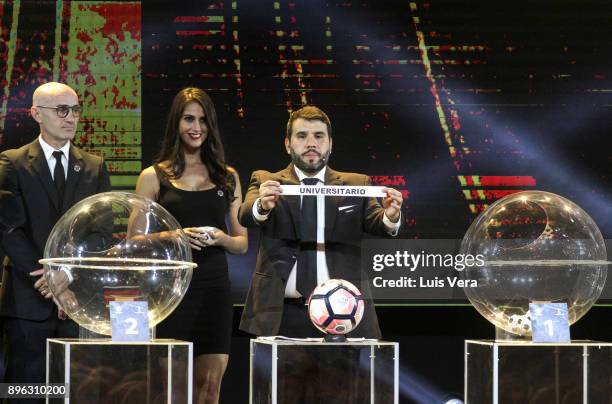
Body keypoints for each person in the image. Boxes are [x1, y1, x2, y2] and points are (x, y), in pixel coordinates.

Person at [239, 105, 403, 339]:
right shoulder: (267, 181)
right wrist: (262, 206)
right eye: (302, 136)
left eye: (319, 136)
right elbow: (246, 215)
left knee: (343, 378)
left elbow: (381, 223)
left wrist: (391, 215)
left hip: (344, 313)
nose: (311, 143)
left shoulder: (356, 183)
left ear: (330, 143)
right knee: (278, 377)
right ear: (288, 144)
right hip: (280, 313)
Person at [135, 87, 247, 404]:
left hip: (215, 292)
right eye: (188, 119)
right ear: (176, 123)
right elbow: (134, 243)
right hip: (172, 294)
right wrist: (176, 235)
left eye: (202, 120)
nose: (196, 127)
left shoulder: (227, 177)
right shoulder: (153, 177)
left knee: (209, 389)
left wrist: (220, 237)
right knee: (170, 390)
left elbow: (241, 243)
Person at [0, 82, 111, 389]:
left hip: (77, 301)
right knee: (26, 389)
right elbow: (9, 229)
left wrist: (66, 273)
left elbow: (100, 234)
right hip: (27, 300)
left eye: (75, 110)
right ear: (36, 113)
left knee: (75, 390)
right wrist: (48, 277)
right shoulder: (12, 162)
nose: (71, 117)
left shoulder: (93, 166)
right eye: (62, 110)